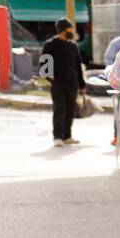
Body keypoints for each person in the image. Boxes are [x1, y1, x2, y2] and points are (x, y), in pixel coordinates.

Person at [41, 18, 86, 147]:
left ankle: (67, 136)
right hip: (58, 84)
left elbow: (78, 66)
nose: (71, 32)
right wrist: (51, 78)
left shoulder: (73, 46)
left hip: (72, 84)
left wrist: (82, 85)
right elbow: (44, 65)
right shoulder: (49, 45)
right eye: (69, 30)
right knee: (59, 109)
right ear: (61, 31)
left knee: (70, 110)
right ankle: (58, 136)